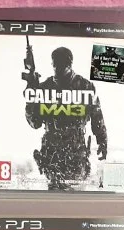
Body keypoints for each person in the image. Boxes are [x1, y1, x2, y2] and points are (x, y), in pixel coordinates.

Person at [25, 47, 108, 190]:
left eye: (61, 64)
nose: (57, 68)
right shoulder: (44, 88)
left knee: (77, 193)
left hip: (75, 152)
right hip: (52, 154)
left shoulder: (85, 86)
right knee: (54, 196)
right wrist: (31, 95)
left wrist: (102, 140)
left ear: (69, 64)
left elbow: (97, 116)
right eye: (55, 64)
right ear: (52, 64)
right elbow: (35, 123)